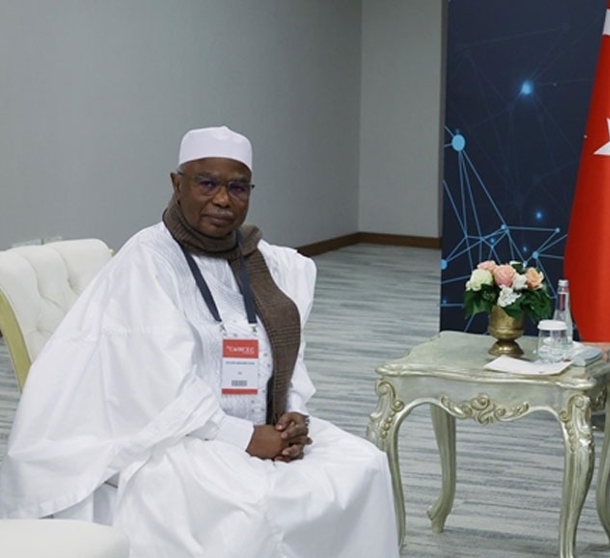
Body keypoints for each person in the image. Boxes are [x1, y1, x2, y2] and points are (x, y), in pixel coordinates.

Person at [0, 126, 399, 558]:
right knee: (256, 502)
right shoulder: (149, 260)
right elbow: (158, 385)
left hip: (261, 421)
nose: (223, 200)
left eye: (238, 188)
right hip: (170, 435)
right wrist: (244, 438)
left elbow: (289, 354)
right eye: (207, 184)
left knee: (364, 464)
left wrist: (292, 415)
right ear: (178, 184)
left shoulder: (263, 260)